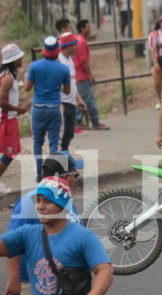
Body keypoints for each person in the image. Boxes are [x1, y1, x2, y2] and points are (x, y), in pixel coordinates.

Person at [4, 151, 84, 295]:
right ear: (65, 176)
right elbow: (10, 243)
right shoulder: (30, 203)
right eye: (74, 174)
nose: (76, 178)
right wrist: (14, 279)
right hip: (39, 281)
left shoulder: (63, 197)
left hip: (65, 279)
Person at [25, 37, 71, 182]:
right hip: (54, 109)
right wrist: (56, 84)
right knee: (54, 143)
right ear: (57, 51)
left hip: (38, 109)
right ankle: (50, 175)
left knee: (37, 142)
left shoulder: (34, 66)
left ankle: (39, 174)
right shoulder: (63, 68)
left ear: (43, 50)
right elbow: (68, 91)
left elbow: (27, 88)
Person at [74, 20, 110, 131]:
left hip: (78, 75)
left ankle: (79, 121)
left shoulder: (78, 40)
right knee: (89, 100)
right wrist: (90, 75)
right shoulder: (81, 42)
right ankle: (94, 122)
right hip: (82, 76)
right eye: (88, 27)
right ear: (82, 29)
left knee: (84, 99)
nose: (90, 29)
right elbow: (84, 61)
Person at [0, 44, 27, 194]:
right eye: (19, 57)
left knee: (13, 151)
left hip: (11, 118)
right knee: (10, 152)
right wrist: (19, 109)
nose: (22, 58)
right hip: (6, 119)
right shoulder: (8, 78)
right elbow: (1, 101)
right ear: (14, 59)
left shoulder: (10, 75)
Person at [58, 33, 88, 151]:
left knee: (69, 134)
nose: (77, 47)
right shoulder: (59, 61)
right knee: (62, 134)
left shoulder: (70, 59)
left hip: (71, 103)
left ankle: (64, 157)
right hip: (62, 104)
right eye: (75, 45)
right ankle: (59, 161)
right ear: (68, 46)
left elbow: (72, 83)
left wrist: (79, 99)